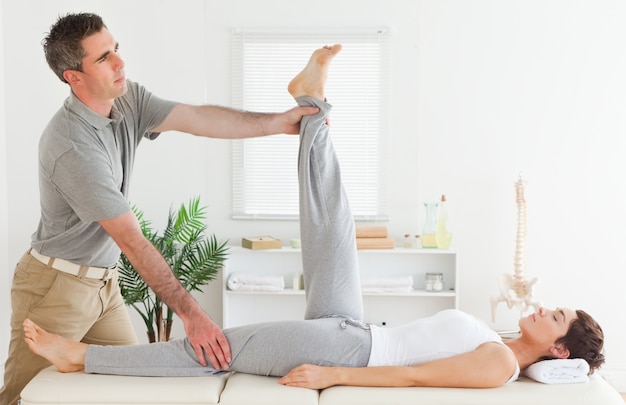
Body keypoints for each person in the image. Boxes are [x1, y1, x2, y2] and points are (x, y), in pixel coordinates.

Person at [23, 44, 605, 391]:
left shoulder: (502, 363)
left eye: (553, 316)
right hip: (353, 324)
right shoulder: (500, 340)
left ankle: (81, 356)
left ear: (558, 350)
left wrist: (335, 375)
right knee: (333, 219)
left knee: (216, 347)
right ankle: (313, 105)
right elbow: (197, 116)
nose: (540, 307)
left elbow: (413, 379)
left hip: (345, 349)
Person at [0, 12, 322, 405]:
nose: (120, 62)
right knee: (21, 397)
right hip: (56, 288)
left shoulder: (126, 97)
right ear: (74, 77)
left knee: (130, 384)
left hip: (104, 284)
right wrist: (193, 316)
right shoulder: (72, 147)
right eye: (103, 58)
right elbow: (132, 241)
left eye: (115, 49)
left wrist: (278, 123)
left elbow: (197, 117)